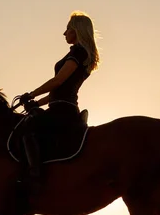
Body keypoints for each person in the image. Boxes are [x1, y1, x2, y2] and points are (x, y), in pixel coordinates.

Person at [18, 11, 100, 189]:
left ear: (77, 30)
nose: (64, 33)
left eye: (68, 29)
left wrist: (31, 94)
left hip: (63, 111)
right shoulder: (81, 53)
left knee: (28, 127)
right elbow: (59, 90)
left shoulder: (79, 52)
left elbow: (58, 81)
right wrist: (36, 103)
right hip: (62, 106)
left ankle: (35, 175)